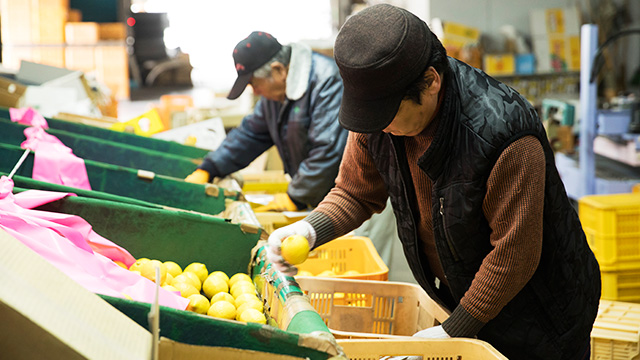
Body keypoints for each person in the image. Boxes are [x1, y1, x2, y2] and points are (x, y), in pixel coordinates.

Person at [266, 4, 601, 360]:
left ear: (430, 82)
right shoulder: (378, 116)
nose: (377, 127)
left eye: (386, 116)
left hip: (542, 313)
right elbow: (355, 192)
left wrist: (452, 332)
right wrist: (308, 231)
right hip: (466, 297)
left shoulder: (504, 136)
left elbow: (513, 255)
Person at [185, 31, 348, 211]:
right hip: (321, 196)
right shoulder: (275, 96)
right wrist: (209, 168)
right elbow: (250, 134)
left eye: (255, 83)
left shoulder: (328, 82)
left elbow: (328, 149)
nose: (254, 92)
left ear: (278, 70)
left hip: (354, 199)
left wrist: (296, 197)